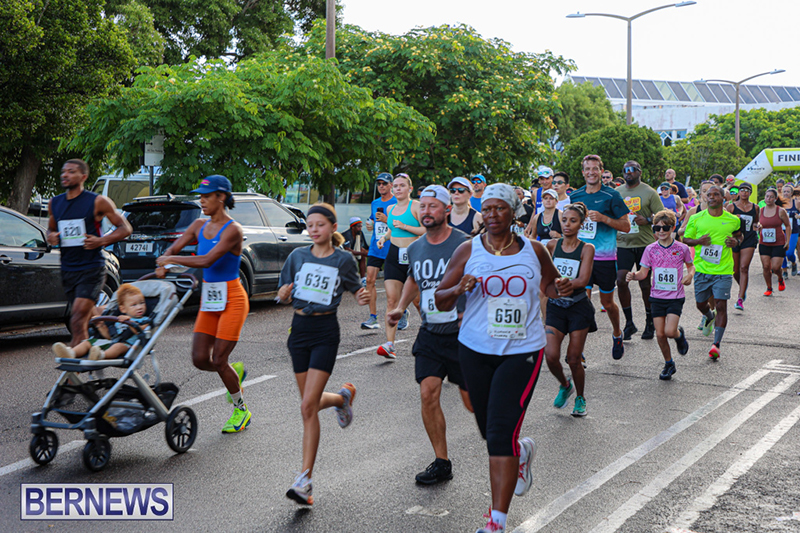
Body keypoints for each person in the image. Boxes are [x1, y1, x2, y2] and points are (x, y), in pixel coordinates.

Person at [435, 183, 566, 533]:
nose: (492, 215)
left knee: (498, 433)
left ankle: (497, 522)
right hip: (475, 349)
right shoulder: (468, 249)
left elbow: (551, 286)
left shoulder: (535, 250)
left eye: (500, 209)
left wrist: (565, 287)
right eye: (487, 209)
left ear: (513, 212)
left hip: (522, 351)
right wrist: (459, 288)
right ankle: (520, 452)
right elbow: (440, 299)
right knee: (486, 428)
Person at [277, 203, 370, 505]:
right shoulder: (297, 256)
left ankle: (305, 481)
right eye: (310, 225)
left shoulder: (343, 259)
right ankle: (341, 399)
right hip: (299, 330)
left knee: (306, 407)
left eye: (320, 224)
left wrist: (362, 296)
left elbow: (356, 289)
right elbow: (282, 291)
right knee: (311, 404)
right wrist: (283, 294)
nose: (314, 229)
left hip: (325, 332)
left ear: (332, 227)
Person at [385, 185, 473, 485]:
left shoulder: (465, 244)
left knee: (472, 402)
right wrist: (399, 307)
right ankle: (441, 461)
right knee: (427, 393)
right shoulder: (416, 247)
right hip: (431, 331)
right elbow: (413, 277)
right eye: (422, 206)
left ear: (447, 210)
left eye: (433, 206)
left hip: (462, 334)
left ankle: (510, 444)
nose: (426, 211)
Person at [155, 175, 251, 433]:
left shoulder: (233, 230)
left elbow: (207, 260)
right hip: (211, 298)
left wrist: (172, 261)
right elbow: (173, 250)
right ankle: (233, 372)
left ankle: (241, 410)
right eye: (201, 196)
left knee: (219, 359)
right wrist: (164, 260)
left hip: (233, 298)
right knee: (199, 359)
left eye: (207, 196)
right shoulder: (197, 225)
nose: (202, 200)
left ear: (221, 197)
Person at [47, 159, 132, 348]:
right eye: (64, 171)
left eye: (71, 172)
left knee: (76, 319)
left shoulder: (97, 201)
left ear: (83, 176)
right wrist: (51, 237)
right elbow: (50, 230)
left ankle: (71, 370)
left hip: (91, 268)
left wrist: (101, 241)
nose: (65, 175)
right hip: (68, 269)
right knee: (83, 320)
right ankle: (96, 346)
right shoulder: (55, 203)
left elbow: (125, 228)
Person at [570, 154, 631, 360]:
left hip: (605, 258)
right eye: (587, 169)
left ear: (600, 171)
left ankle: (617, 333)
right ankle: (580, 351)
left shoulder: (611, 195)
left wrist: (604, 218)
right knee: (582, 302)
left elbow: (626, 225)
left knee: (607, 303)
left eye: (595, 169)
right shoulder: (575, 196)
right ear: (583, 172)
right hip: (582, 257)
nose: (591, 172)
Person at [626, 210, 693, 379]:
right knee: (660, 334)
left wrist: (689, 275)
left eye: (666, 228)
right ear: (653, 229)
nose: (661, 232)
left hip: (675, 297)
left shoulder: (682, 248)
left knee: (670, 331)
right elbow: (643, 273)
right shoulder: (650, 249)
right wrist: (633, 276)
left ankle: (679, 335)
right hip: (656, 297)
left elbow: (690, 266)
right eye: (657, 228)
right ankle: (669, 363)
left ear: (673, 228)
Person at [543, 203, 595, 416]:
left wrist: (562, 285)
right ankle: (565, 385)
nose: (567, 224)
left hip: (578, 308)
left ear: (581, 224)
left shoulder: (587, 248)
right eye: (564, 220)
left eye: (573, 221)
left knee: (573, 359)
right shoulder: (552, 246)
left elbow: (583, 280)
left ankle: (580, 398)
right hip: (556, 307)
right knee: (550, 355)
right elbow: (544, 274)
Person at [682, 185, 744, 360]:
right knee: (701, 304)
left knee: (721, 305)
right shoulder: (696, 218)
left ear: (723, 198)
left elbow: (740, 236)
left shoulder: (733, 220)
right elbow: (685, 239)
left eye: (716, 194)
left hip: (723, 270)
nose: (711, 197)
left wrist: (736, 242)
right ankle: (709, 317)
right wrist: (698, 240)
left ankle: (716, 344)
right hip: (702, 269)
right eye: (708, 195)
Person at [376, 173, 425, 358]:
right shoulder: (390, 207)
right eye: (395, 186)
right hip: (394, 255)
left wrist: (405, 226)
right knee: (391, 300)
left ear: (410, 189)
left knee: (419, 302)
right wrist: (383, 237)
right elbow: (391, 228)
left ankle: (434, 336)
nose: (398, 189)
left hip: (414, 256)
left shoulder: (417, 206)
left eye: (402, 186)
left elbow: (425, 229)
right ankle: (390, 344)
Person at [616, 161, 665, 341]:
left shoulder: (649, 192)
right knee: (621, 281)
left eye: (632, 170)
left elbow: (662, 216)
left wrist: (648, 219)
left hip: (644, 244)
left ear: (639, 172)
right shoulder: (618, 192)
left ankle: (649, 321)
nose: (628, 173)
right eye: (625, 170)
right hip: (623, 243)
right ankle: (629, 323)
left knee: (645, 284)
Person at [52, 283, 151, 360]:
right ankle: (71, 353)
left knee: (117, 346)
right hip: (111, 342)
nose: (139, 307)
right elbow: (109, 336)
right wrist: (100, 325)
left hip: (128, 346)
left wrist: (130, 323)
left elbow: (140, 331)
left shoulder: (145, 320)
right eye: (134, 305)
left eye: (142, 303)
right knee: (88, 342)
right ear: (123, 309)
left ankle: (101, 355)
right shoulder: (118, 319)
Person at [361, 172, 397, 330]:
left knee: (394, 285)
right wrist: (369, 223)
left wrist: (386, 220)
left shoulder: (397, 202)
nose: (381, 186)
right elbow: (371, 219)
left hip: (392, 246)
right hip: (376, 247)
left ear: (391, 185)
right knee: (369, 280)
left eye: (384, 183)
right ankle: (373, 318)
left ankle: (401, 312)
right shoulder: (375, 203)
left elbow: (401, 223)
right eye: (379, 183)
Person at [725, 182, 759, 310]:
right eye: (742, 190)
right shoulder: (731, 207)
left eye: (747, 190)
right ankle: (742, 288)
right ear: (738, 192)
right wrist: (734, 218)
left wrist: (758, 226)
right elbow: (726, 223)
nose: (744, 192)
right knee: (735, 270)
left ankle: (740, 298)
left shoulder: (755, 207)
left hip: (749, 239)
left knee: (744, 267)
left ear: (750, 193)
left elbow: (755, 223)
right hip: (734, 239)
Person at [756, 188, 791, 296]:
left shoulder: (780, 211)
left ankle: (780, 278)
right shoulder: (760, 211)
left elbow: (788, 226)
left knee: (775, 267)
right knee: (766, 266)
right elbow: (756, 223)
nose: (769, 199)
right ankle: (769, 288)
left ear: (775, 199)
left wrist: (787, 241)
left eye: (771, 197)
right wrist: (758, 227)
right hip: (764, 242)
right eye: (767, 196)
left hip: (778, 242)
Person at [341, 216, 368, 281]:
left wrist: (365, 252)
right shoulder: (347, 235)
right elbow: (347, 250)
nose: (360, 228)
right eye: (358, 227)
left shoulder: (360, 233)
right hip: (343, 254)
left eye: (361, 226)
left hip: (354, 252)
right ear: (353, 227)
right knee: (357, 256)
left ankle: (363, 278)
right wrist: (362, 253)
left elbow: (363, 246)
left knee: (362, 257)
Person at [785, 188, 800, 276]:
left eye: (788, 191)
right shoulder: (779, 203)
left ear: (791, 193)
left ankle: (794, 263)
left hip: (794, 230)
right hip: (782, 231)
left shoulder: (796, 202)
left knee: (789, 252)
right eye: (784, 191)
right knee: (781, 252)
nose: (786, 193)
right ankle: (784, 271)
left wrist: (799, 216)